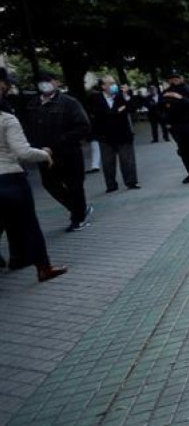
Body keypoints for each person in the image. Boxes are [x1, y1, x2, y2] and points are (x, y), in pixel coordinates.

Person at [1, 68, 69, 282]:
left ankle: (16, 257)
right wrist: (45, 154)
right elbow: (22, 152)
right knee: (29, 224)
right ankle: (43, 267)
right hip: (10, 179)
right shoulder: (7, 119)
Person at [22, 71, 93, 231]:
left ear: (56, 82)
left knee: (74, 185)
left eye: (47, 81)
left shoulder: (69, 102)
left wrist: (58, 142)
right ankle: (79, 210)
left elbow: (83, 126)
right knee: (50, 184)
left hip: (69, 153)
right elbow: (27, 129)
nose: (44, 84)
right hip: (44, 155)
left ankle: (78, 218)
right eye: (40, 82)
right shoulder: (33, 105)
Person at [90, 75, 139, 192]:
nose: (114, 86)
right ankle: (111, 185)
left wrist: (127, 96)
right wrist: (117, 111)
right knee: (108, 163)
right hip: (105, 136)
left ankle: (131, 182)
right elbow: (98, 114)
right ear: (103, 86)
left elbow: (132, 108)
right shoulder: (96, 98)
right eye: (110, 84)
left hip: (123, 134)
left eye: (114, 83)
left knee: (127, 160)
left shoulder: (122, 96)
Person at [159, 71, 189, 184]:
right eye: (171, 78)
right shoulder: (166, 93)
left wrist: (180, 98)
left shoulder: (188, 90)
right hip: (176, 126)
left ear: (181, 78)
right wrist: (166, 122)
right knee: (183, 151)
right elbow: (160, 109)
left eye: (176, 77)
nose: (174, 80)